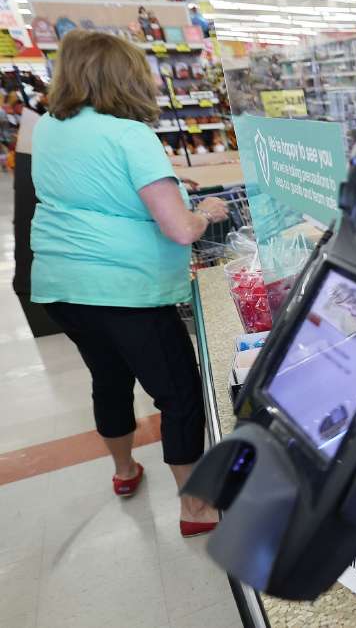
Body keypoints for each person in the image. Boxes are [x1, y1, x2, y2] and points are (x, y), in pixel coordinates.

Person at [29, 29, 229, 537]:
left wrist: (162, 185)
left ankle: (123, 471)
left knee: (109, 377)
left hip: (61, 283)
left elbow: (92, 184)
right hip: (126, 290)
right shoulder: (129, 134)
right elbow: (179, 228)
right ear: (127, 78)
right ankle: (197, 509)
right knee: (177, 393)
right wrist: (203, 210)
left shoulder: (49, 126)